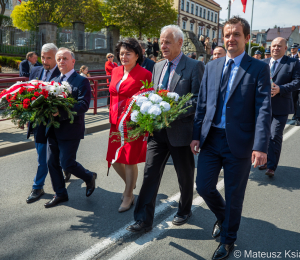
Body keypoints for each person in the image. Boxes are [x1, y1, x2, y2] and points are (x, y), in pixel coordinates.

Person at [191, 16, 272, 260]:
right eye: (227, 34)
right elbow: (202, 103)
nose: (231, 39)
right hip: (211, 138)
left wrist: (260, 146)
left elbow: (263, 108)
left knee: (235, 193)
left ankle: (228, 239)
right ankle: (224, 217)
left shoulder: (258, 68)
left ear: (247, 38)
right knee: (203, 186)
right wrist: (196, 135)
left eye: (236, 34)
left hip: (240, 141)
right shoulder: (213, 65)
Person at [127, 25, 205, 233]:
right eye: (161, 41)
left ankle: (185, 209)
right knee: (150, 173)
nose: (163, 45)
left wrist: (173, 111)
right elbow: (153, 95)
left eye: (168, 42)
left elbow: (198, 100)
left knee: (184, 174)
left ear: (180, 43)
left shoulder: (194, 66)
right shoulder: (158, 66)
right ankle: (143, 219)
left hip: (181, 132)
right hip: (157, 133)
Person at [44, 48, 97, 208]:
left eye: (65, 58)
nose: (61, 62)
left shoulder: (81, 81)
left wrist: (60, 113)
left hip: (71, 130)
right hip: (53, 129)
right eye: (59, 59)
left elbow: (83, 105)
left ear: (73, 61)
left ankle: (88, 177)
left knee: (67, 163)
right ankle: (60, 194)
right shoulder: (53, 79)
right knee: (52, 162)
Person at [106, 38, 152, 213]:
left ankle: (127, 195)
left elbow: (148, 100)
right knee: (115, 159)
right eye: (122, 53)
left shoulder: (145, 74)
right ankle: (130, 187)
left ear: (137, 55)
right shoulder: (116, 71)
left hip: (133, 124)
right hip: (115, 122)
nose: (124, 56)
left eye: (128, 53)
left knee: (130, 159)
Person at [259, 37, 300, 176]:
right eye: (274, 45)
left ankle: (271, 166)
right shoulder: (262, 63)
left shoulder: (293, 63)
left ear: (285, 48)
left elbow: (297, 82)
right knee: (263, 135)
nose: (275, 48)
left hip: (281, 107)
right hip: (262, 107)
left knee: (274, 135)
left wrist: (280, 89)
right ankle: (263, 159)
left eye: (279, 46)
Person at [26, 43, 61, 204]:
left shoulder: (62, 74)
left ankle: (37, 185)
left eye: (49, 57)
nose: (45, 61)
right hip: (38, 123)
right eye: (42, 57)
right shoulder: (35, 71)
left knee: (48, 158)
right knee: (44, 156)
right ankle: (72, 169)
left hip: (54, 123)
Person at [288, 44, 300, 121]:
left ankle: (297, 116)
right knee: (293, 100)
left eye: (294, 48)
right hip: (292, 83)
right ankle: (295, 114)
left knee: (299, 101)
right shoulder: (289, 58)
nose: (292, 49)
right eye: (291, 48)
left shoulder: (297, 60)